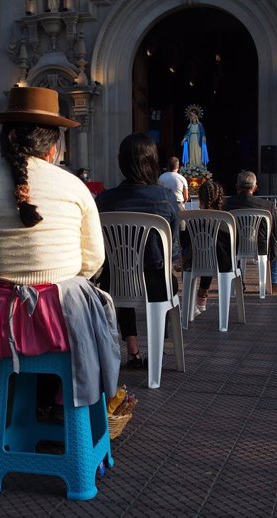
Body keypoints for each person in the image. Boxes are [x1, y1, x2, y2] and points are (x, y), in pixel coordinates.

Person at [0, 86, 119, 409]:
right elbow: (93, 260)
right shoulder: (76, 188)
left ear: (8, 138)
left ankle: (15, 406)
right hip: (64, 327)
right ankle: (55, 408)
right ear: (54, 146)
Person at [96, 132, 180, 368]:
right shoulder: (165, 197)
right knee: (167, 283)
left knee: (120, 273)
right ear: (153, 162)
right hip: (156, 281)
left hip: (115, 282)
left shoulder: (104, 200)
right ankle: (156, 354)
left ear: (122, 162)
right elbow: (172, 247)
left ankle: (132, 352)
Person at [224, 170, 277, 293]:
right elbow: (275, 229)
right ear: (255, 187)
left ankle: (238, 280)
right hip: (260, 246)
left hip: (234, 246)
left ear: (237, 186)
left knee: (235, 250)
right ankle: (274, 281)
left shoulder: (226, 204)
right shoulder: (267, 205)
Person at [181, 179, 233, 314]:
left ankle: (189, 304)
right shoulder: (226, 220)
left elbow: (185, 243)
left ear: (200, 198)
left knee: (196, 255)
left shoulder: (193, 220)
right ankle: (202, 296)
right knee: (212, 252)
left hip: (196, 264)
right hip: (224, 265)